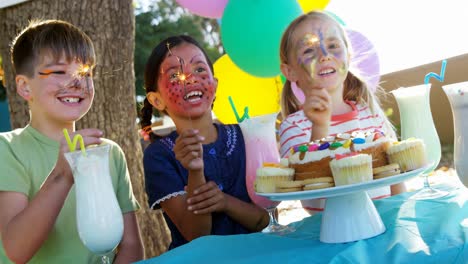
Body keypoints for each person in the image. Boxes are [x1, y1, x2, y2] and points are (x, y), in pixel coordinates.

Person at [0, 20, 144, 263]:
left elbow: (130, 245)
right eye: (58, 71)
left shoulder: (109, 152)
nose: (77, 82)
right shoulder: (8, 149)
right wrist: (62, 176)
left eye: (85, 73)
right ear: (25, 87)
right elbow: (15, 251)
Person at [139, 35, 269, 250]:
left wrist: (225, 202)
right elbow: (196, 235)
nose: (190, 79)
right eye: (175, 75)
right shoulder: (159, 155)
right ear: (156, 100)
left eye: (199, 69)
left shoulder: (247, 137)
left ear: (215, 85)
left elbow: (266, 220)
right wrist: (195, 172)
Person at [278, 11, 406, 214]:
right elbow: (304, 183)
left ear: (348, 55)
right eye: (309, 51)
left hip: (384, 225)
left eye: (332, 46)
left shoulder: (371, 114)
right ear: (289, 71)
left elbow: (396, 174)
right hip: (330, 237)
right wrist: (319, 127)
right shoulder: (293, 127)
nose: (324, 55)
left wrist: (400, 215)